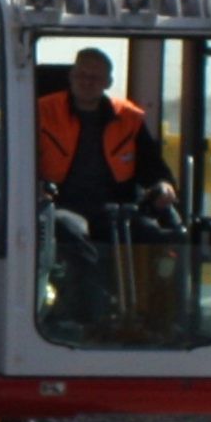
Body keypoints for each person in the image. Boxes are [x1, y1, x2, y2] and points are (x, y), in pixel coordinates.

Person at [37, 47, 178, 330]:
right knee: (74, 233)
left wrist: (163, 187)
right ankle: (84, 315)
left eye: (95, 77)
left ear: (108, 82)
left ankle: (161, 317)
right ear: (71, 75)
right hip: (61, 204)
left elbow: (153, 167)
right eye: (82, 74)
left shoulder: (129, 119)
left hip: (115, 207)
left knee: (159, 236)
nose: (87, 81)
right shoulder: (41, 111)